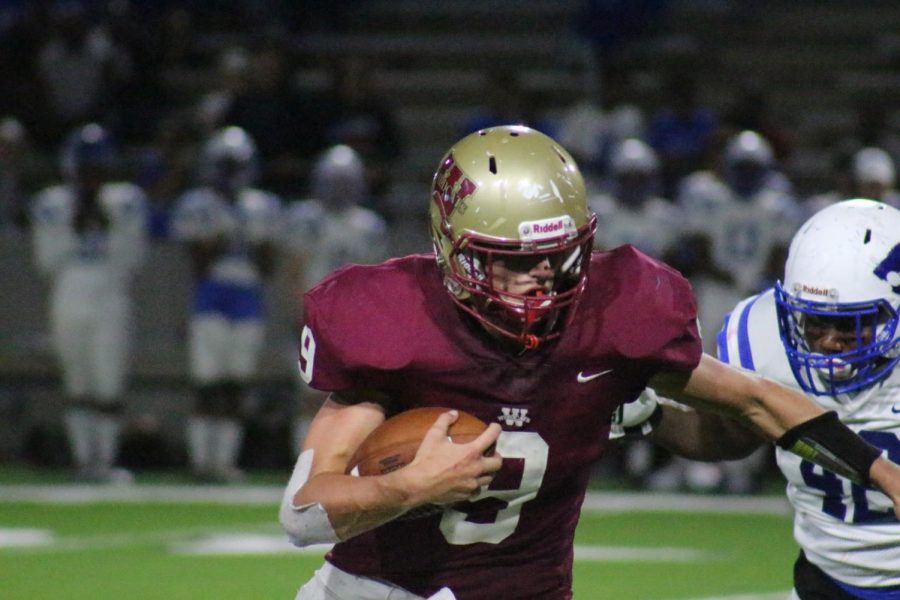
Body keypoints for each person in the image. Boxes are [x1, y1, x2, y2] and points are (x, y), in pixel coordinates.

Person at [279, 126, 900, 600]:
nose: (544, 277)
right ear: (454, 251)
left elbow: (756, 400)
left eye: (559, 255)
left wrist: (878, 470)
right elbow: (301, 515)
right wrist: (404, 488)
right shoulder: (391, 324)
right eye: (517, 260)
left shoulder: (616, 314)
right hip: (377, 590)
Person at [612, 199, 900, 598]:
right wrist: (647, 417)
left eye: (852, 324)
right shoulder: (765, 338)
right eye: (815, 320)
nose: (829, 342)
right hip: (827, 582)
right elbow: (725, 435)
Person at [30, 123, 148, 483]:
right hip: (70, 293)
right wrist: (74, 226)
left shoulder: (125, 201)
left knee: (108, 381)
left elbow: (133, 259)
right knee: (77, 381)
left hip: (110, 295)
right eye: (87, 167)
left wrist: (107, 224)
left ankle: (105, 461)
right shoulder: (53, 203)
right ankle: (83, 461)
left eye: (97, 167)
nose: (92, 176)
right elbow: (46, 261)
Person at [170, 126, 282, 483]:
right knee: (207, 383)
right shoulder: (198, 203)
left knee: (235, 385)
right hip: (212, 296)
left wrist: (252, 239)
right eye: (226, 165)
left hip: (247, 297)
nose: (230, 173)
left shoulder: (261, 206)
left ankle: (224, 462)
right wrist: (223, 236)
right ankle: (201, 461)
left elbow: (267, 267)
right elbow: (197, 262)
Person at [281, 144, 389, 453]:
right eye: (334, 181)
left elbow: (375, 280)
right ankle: (301, 463)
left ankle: (335, 462)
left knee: (348, 397)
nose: (339, 189)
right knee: (310, 394)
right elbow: (293, 271)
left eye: (345, 181)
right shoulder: (305, 218)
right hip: (316, 318)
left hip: (352, 322)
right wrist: (298, 314)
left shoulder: (369, 225)